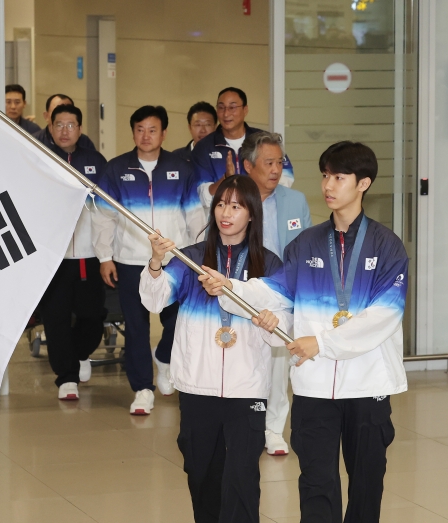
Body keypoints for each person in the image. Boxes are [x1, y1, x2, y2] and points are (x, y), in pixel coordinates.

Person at [201, 142, 408, 523]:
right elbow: (274, 290)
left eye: (339, 177)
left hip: (368, 383)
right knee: (315, 482)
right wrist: (231, 287)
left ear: (363, 183)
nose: (328, 185)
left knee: (367, 482)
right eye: (326, 176)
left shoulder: (388, 247)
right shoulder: (307, 243)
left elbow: (384, 316)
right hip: (313, 387)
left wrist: (322, 343)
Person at [140, 175, 290, 523]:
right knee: (201, 474)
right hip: (197, 386)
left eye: (236, 206)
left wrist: (272, 323)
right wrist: (156, 262)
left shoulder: (270, 265)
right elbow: (154, 298)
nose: (226, 212)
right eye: (221, 203)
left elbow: (280, 328)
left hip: (246, 389)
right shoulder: (191, 259)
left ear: (252, 213)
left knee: (242, 479)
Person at [91, 105, 206, 415]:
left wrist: (198, 255)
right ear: (133, 133)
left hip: (176, 259)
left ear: (164, 133)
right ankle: (142, 388)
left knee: (177, 321)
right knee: (137, 326)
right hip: (130, 259)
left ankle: (165, 360)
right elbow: (103, 217)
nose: (146, 135)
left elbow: (195, 215)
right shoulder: (115, 170)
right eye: (140, 129)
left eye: (152, 130)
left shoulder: (183, 169)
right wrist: (105, 256)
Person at [239, 131, 312, 455]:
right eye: (268, 162)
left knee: (279, 362)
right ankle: (245, 427)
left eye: (279, 162)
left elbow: (305, 250)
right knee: (244, 360)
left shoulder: (295, 200)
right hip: (242, 290)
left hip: (282, 292)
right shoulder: (235, 197)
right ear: (248, 166)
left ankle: (273, 429)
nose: (275, 169)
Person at [37, 104, 107, 400]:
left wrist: (106, 254)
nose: (65, 130)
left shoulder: (95, 161)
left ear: (80, 129)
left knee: (93, 317)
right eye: (59, 124)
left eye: (71, 125)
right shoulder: (39, 159)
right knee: (56, 318)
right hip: (55, 256)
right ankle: (66, 377)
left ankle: (79, 355)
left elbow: (107, 210)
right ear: (50, 127)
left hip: (90, 254)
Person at [192, 87, 295, 212]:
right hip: (223, 219)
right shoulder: (204, 147)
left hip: (264, 214)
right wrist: (225, 179)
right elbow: (201, 196)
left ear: (245, 110)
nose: (226, 113)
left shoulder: (263, 140)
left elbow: (286, 178)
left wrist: (254, 197)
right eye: (221, 107)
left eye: (232, 107)